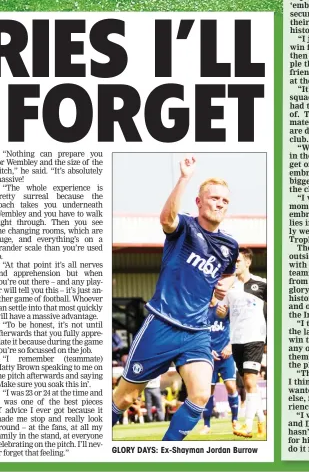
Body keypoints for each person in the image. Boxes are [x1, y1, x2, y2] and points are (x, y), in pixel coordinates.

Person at [111, 157, 238, 441]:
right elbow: (166, 219)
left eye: (225, 200)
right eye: (214, 198)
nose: (219, 204)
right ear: (199, 201)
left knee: (201, 394)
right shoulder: (185, 228)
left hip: (196, 332)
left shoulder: (230, 246)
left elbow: (228, 273)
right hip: (162, 324)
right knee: (126, 397)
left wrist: (223, 286)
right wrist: (184, 177)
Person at [226, 247, 267, 438]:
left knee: (251, 381)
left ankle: (247, 426)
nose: (235, 264)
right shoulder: (230, 287)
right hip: (236, 340)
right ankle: (261, 422)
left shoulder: (262, 284)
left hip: (254, 338)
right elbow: (222, 309)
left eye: (238, 261)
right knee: (250, 384)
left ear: (248, 262)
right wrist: (220, 311)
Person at [199, 296, 241, 435]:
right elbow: (199, 334)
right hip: (209, 357)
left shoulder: (224, 308)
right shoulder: (201, 311)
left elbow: (236, 328)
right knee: (208, 392)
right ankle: (206, 424)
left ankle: (235, 420)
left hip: (226, 356)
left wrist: (230, 346)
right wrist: (207, 350)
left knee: (231, 386)